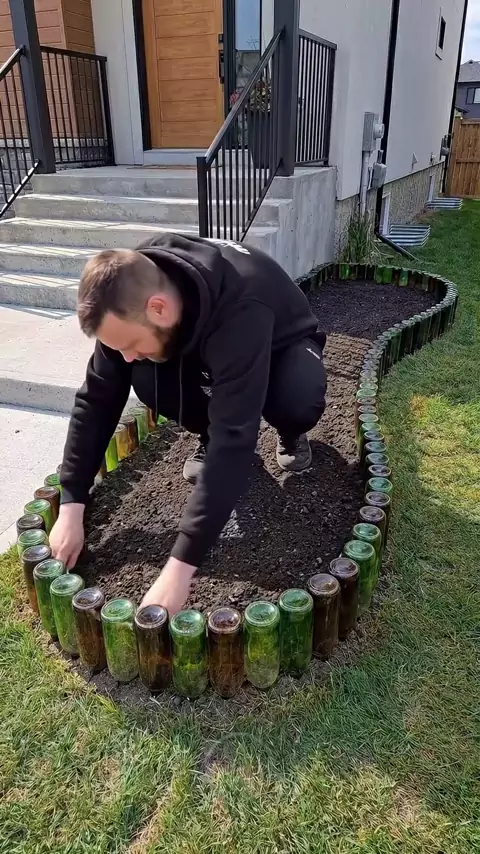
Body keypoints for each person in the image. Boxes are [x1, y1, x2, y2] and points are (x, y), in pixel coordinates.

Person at [50, 233, 327, 614]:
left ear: (159, 308)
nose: (125, 357)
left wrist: (179, 569)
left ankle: (291, 431)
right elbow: (97, 399)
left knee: (296, 398)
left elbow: (236, 435)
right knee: (146, 375)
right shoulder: (125, 293)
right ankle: (204, 436)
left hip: (284, 343)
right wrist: (72, 503)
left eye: (128, 344)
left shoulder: (241, 306)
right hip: (209, 339)